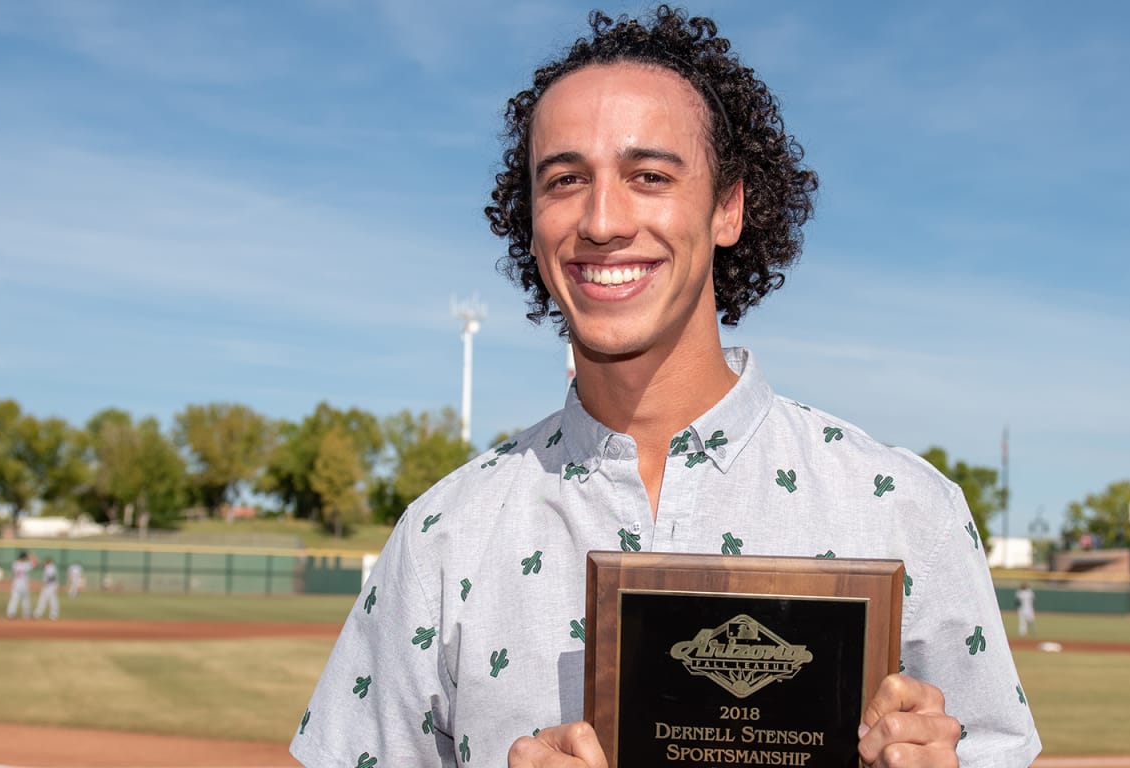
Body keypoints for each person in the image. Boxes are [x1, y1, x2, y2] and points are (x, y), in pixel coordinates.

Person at [292, 7, 1040, 768]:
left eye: (649, 176)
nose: (602, 219)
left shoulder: (908, 511)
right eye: (564, 180)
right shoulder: (442, 537)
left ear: (727, 207)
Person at [6, 550, 36, 619]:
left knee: (14, 599)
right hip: (24, 585)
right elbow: (35, 563)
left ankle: (10, 613)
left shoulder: (15, 564)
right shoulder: (25, 565)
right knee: (25, 600)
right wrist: (30, 554)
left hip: (16, 584)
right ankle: (26, 615)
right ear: (24, 558)